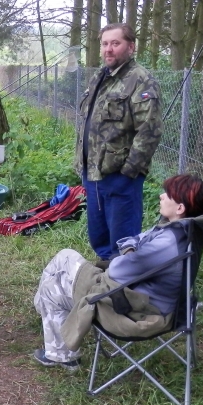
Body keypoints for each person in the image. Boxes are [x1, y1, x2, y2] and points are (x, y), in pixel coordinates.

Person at [32, 174, 203, 371]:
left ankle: (61, 354)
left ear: (180, 208)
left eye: (167, 194)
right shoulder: (182, 230)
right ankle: (45, 310)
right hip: (145, 299)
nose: (161, 196)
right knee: (63, 261)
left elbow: (116, 270)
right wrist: (131, 252)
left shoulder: (166, 243)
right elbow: (133, 241)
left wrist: (129, 253)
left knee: (56, 280)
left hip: (135, 311)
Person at [75, 23, 163, 260]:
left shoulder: (141, 80)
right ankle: (106, 276)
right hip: (93, 173)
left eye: (115, 43)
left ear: (131, 47)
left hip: (120, 177)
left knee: (123, 244)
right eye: (105, 43)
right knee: (99, 238)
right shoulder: (99, 77)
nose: (108, 49)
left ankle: (124, 280)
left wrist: (128, 173)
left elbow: (149, 131)